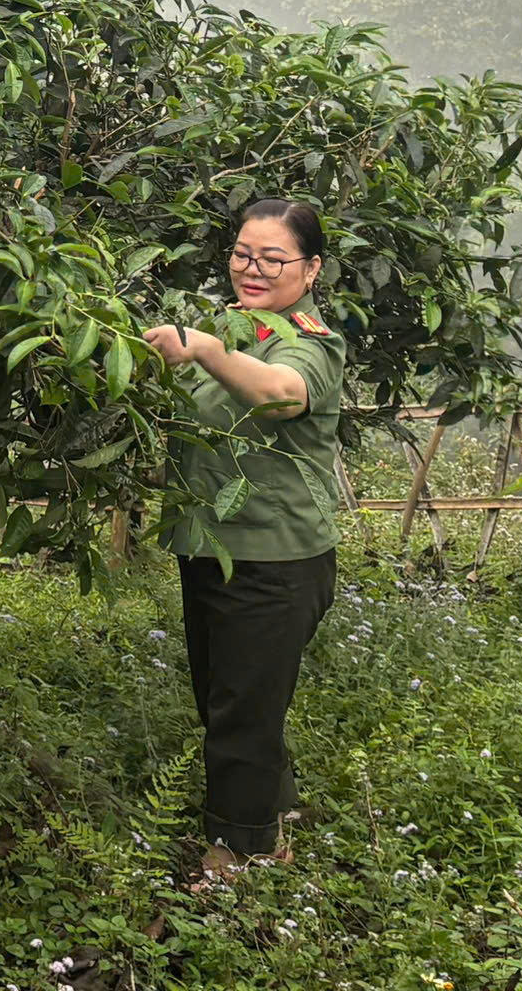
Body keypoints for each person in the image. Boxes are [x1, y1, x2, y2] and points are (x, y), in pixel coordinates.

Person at [143, 197, 344, 883]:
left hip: (276, 563)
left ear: (311, 270)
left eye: (273, 258)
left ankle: (237, 859)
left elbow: (283, 395)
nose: (252, 269)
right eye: (242, 254)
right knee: (231, 705)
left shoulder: (306, 340)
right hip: (212, 549)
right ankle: (273, 823)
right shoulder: (232, 327)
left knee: (242, 720)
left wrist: (201, 347)